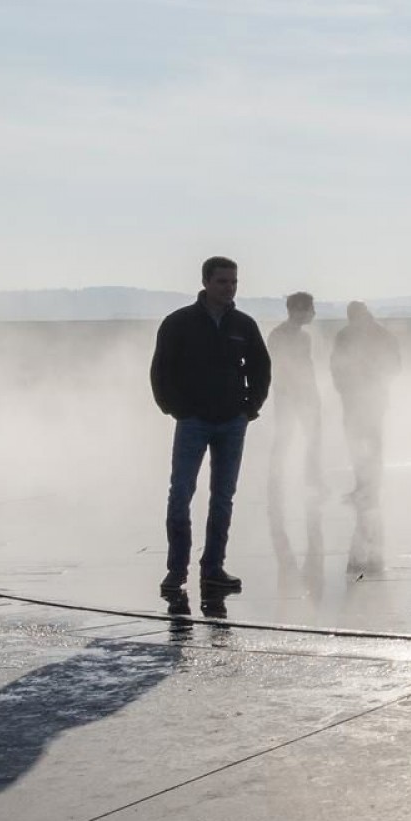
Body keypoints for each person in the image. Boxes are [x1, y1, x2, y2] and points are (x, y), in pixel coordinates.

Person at [149, 256, 271, 602]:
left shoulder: (243, 325)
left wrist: (250, 406)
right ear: (205, 282)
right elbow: (161, 370)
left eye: (234, 282)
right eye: (222, 282)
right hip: (193, 420)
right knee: (181, 492)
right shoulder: (180, 323)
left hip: (232, 420)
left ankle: (213, 566)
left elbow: (261, 366)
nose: (229, 288)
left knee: (223, 496)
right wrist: (175, 407)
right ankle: (176, 569)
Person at [330, 301, 401, 511]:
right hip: (356, 396)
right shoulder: (350, 335)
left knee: (368, 441)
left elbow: (394, 366)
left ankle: (369, 486)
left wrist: (374, 380)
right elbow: (336, 365)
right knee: (363, 441)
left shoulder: (378, 336)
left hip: (369, 396)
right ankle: (364, 485)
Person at [265, 292, 323, 499]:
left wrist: (313, 394)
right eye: (311, 309)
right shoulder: (279, 335)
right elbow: (280, 367)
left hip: (303, 393)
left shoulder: (303, 336)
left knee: (311, 436)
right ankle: (276, 480)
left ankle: (312, 479)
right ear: (298, 310)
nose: (314, 314)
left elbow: (307, 367)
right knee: (285, 436)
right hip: (288, 395)